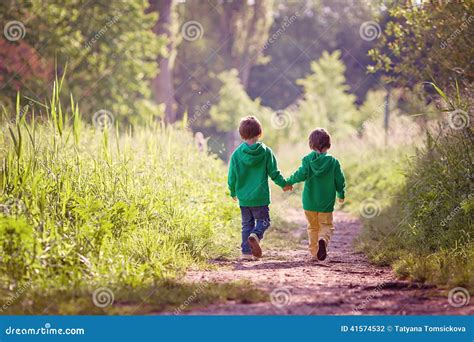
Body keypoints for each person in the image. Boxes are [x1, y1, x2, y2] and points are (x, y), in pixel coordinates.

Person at [228, 116, 292, 260]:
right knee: (264, 222)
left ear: (241, 134)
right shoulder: (266, 152)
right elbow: (274, 173)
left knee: (246, 225)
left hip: (244, 198)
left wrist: (232, 191)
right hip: (260, 197)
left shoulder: (237, 154)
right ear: (260, 133)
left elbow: (232, 176)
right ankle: (256, 235)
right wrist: (284, 184)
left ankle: (246, 253)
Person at [286, 128, 346, 261]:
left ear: (311, 144)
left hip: (309, 202)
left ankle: (314, 254)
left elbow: (300, 174)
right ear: (328, 144)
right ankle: (323, 240)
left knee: (312, 227)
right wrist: (341, 193)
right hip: (326, 202)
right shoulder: (333, 162)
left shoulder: (307, 160)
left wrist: (288, 182)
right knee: (325, 225)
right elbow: (339, 180)